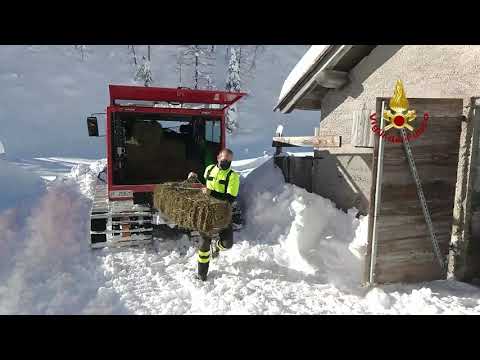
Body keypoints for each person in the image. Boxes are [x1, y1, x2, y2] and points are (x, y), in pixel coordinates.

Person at [188, 148, 240, 281]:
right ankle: (201, 274)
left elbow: (230, 198)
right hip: (207, 212)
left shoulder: (233, 176)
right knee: (204, 242)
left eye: (229, 161)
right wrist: (194, 175)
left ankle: (216, 247)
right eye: (224, 160)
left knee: (227, 244)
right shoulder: (210, 169)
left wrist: (212, 193)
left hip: (223, 213)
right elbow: (203, 178)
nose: (226, 163)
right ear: (218, 158)